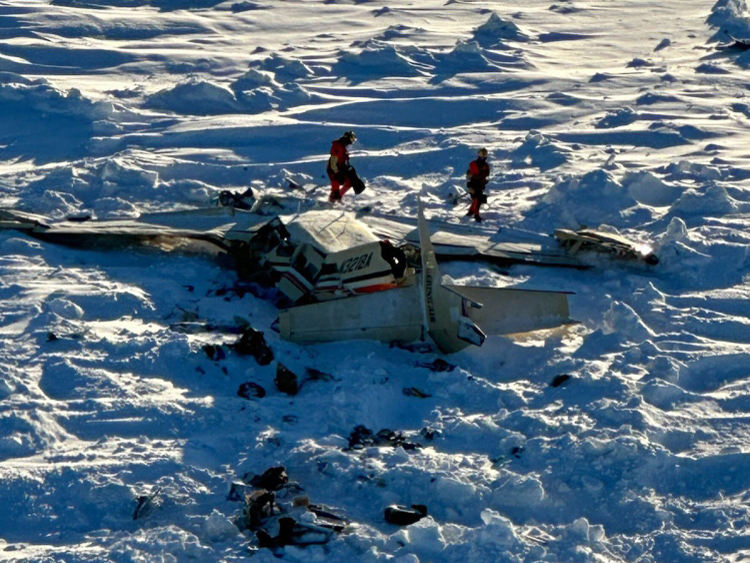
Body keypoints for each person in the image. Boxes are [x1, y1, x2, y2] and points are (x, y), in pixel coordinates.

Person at [327, 130, 364, 202]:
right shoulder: (338, 146)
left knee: (350, 182)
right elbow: (333, 163)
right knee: (335, 191)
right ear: (347, 139)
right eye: (351, 140)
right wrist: (337, 173)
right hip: (334, 171)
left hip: (341, 169)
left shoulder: (343, 147)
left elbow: (344, 161)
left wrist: (350, 171)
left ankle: (338, 197)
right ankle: (332, 202)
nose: (352, 142)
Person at [466, 148, 490, 222]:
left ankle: (471, 211)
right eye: (483, 154)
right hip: (473, 184)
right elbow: (469, 175)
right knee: (477, 200)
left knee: (477, 200)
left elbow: (486, 175)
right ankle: (476, 214)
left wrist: (484, 180)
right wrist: (470, 185)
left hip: (480, 185)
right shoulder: (473, 164)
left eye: (485, 154)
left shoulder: (485, 165)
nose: (484, 156)